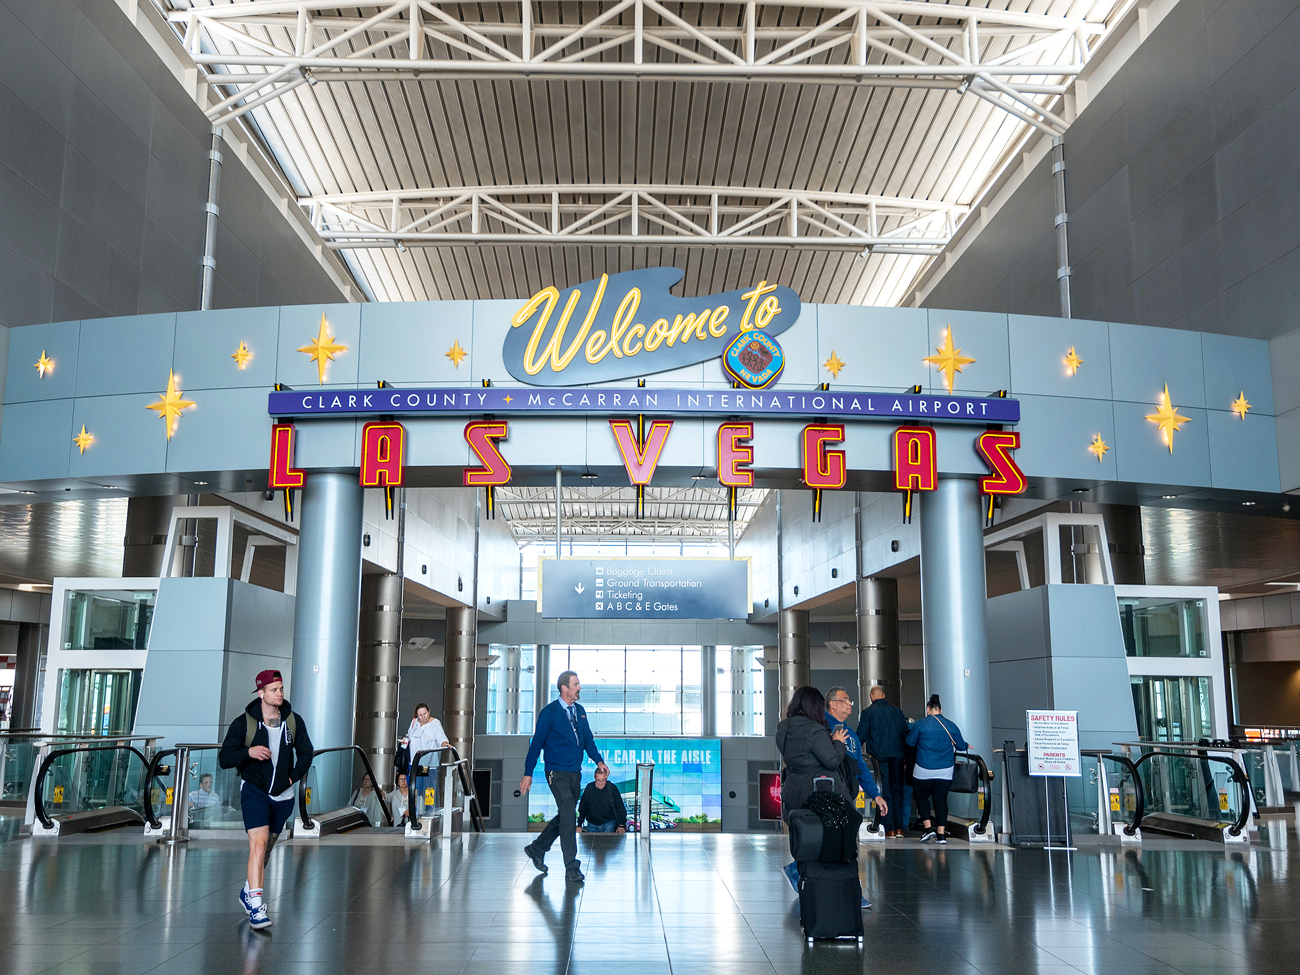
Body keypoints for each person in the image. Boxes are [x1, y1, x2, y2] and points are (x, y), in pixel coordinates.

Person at [218, 670, 313, 930]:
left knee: (269, 845)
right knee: (258, 845)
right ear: (261, 693)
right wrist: (248, 751)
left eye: (281, 688)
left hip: (284, 796)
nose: (280, 693)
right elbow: (225, 758)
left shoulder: (293, 722)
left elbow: (306, 753)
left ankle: (249, 889)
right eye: (274, 689)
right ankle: (257, 908)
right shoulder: (244, 723)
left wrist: (292, 779)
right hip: (255, 791)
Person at [519, 670, 607, 885]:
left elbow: (587, 740)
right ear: (564, 688)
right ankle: (571, 867)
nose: (579, 688)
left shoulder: (580, 711)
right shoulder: (549, 712)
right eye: (576, 684)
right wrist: (528, 773)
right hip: (555, 772)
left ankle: (537, 848)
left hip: (574, 772)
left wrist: (599, 761)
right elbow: (537, 744)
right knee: (568, 814)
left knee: (566, 815)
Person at [776, 686, 855, 899]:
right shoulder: (814, 730)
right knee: (834, 837)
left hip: (794, 789)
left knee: (805, 838)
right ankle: (843, 886)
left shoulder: (783, 728)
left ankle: (802, 875)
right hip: (820, 793)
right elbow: (831, 760)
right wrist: (838, 743)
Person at [905, 694, 969, 844]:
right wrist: (966, 745)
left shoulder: (921, 724)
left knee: (921, 797)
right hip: (945, 770)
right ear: (941, 709)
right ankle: (941, 834)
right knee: (941, 801)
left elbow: (910, 742)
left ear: (928, 709)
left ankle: (927, 829)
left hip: (923, 768)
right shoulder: (951, 725)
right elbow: (960, 746)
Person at [858, 686, 911, 836]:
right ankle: (899, 827)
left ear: (871, 697)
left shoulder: (868, 712)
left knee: (884, 790)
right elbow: (905, 734)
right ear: (884, 695)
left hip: (879, 757)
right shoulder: (897, 712)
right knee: (897, 791)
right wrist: (906, 757)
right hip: (898, 757)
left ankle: (889, 828)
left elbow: (861, 736)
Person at [403, 703, 449, 813]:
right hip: (414, 763)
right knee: (415, 790)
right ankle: (415, 813)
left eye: (425, 714)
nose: (423, 717)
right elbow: (409, 736)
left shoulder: (435, 723)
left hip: (429, 764)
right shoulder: (414, 723)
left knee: (429, 790)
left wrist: (445, 744)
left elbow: (442, 739)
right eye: (420, 715)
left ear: (429, 712)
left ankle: (430, 812)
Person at [577, 765, 627, 833]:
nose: (601, 783)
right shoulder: (589, 788)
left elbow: (620, 807)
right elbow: (583, 808)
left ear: (606, 777)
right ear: (594, 778)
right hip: (592, 824)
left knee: (607, 843)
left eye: (603, 780)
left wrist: (621, 825)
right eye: (598, 780)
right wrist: (579, 824)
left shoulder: (612, 788)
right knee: (591, 843)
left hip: (609, 823)